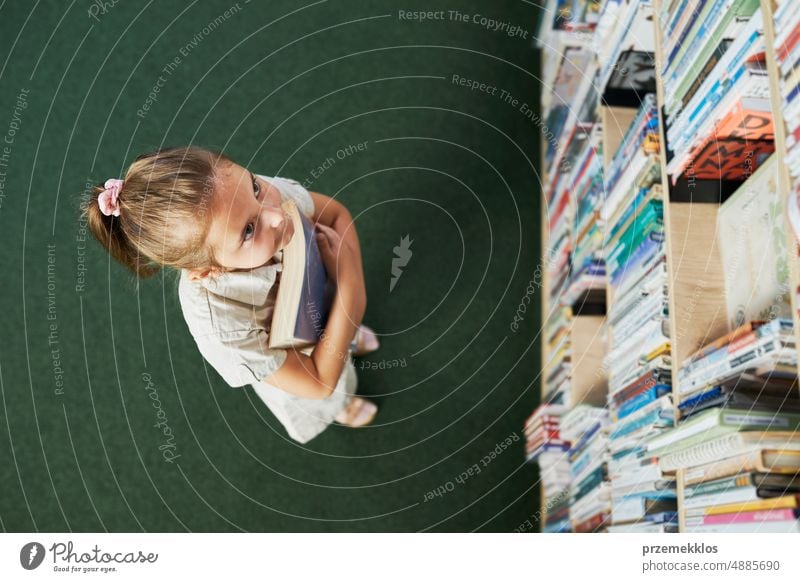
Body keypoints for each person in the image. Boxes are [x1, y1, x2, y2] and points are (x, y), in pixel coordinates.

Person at [83, 145, 380, 443]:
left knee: (340, 333)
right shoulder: (221, 326)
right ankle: (344, 403)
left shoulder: (240, 201)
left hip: (325, 298)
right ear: (206, 270)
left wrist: (342, 306)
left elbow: (336, 214)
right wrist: (351, 288)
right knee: (331, 391)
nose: (277, 217)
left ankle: (346, 335)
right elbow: (317, 382)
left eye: (255, 186)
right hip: (296, 360)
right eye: (249, 230)